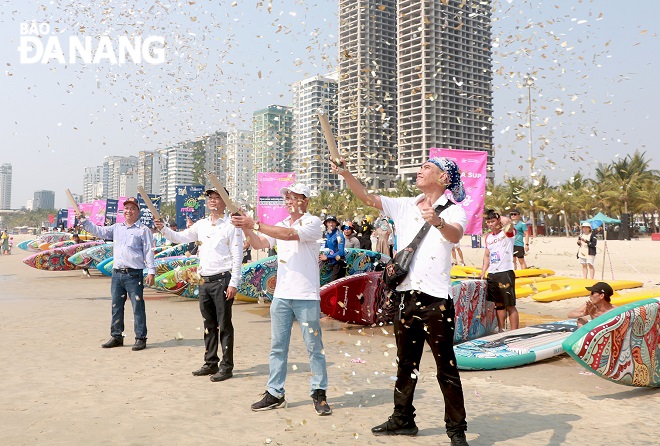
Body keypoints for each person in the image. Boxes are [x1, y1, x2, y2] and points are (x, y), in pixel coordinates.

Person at [332, 157, 470, 446]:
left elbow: (455, 235)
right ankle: (403, 419)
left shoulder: (455, 210)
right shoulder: (406, 204)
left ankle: (456, 431)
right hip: (407, 297)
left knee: (446, 367)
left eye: (427, 167)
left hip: (437, 302)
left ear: (444, 178)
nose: (420, 170)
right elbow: (367, 197)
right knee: (406, 363)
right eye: (420, 166)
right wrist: (346, 173)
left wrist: (438, 221)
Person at [231, 183, 332, 416]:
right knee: (277, 347)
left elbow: (290, 236)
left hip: (306, 295)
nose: (288, 201)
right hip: (281, 297)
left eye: (293, 197)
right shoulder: (279, 225)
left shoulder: (313, 223)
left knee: (314, 347)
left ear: (305, 200)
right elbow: (259, 243)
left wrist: (254, 224)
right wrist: (246, 228)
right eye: (286, 197)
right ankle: (275, 392)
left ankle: (319, 393)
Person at [155, 188, 243, 382]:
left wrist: (233, 282)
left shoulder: (231, 225)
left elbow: (237, 256)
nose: (212, 201)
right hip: (204, 281)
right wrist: (163, 228)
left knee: (224, 325)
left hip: (222, 280)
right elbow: (180, 238)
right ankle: (210, 362)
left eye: (217, 197)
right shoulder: (201, 225)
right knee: (208, 325)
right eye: (210, 197)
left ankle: (226, 366)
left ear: (226, 201)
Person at [77, 197, 155, 351]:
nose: (129, 211)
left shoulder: (143, 230)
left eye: (132, 208)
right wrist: (84, 221)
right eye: (126, 208)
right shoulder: (116, 228)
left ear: (138, 212)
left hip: (134, 274)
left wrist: (151, 271)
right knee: (116, 306)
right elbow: (98, 231)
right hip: (117, 274)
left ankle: (140, 338)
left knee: (137, 307)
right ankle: (116, 336)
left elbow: (148, 252)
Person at [481, 210, 520, 333]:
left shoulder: (507, 233)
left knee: (509, 304)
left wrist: (496, 214)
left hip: (505, 272)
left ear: (498, 221)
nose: (490, 224)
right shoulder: (488, 237)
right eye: (488, 222)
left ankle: (515, 331)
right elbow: (487, 255)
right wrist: (483, 271)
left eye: (493, 221)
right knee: (498, 304)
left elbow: (508, 222)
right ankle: (501, 330)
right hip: (493, 274)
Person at [320, 215, 346, 283]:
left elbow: (341, 253)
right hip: (329, 263)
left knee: (332, 285)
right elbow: (326, 248)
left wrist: (327, 257)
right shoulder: (327, 234)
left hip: (338, 263)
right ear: (326, 224)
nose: (331, 224)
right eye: (328, 222)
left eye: (333, 222)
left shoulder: (339, 236)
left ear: (336, 224)